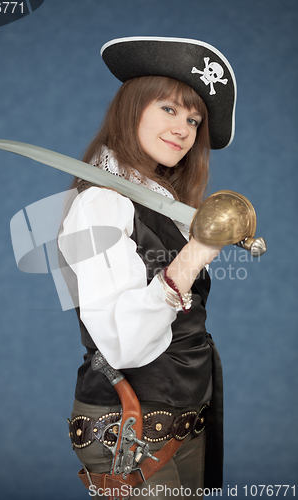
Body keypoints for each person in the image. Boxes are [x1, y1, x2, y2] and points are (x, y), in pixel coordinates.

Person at [58, 36, 236, 499]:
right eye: (169, 109)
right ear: (132, 107)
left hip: (184, 417)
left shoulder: (162, 204)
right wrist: (196, 252)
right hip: (128, 428)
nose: (184, 128)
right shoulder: (99, 204)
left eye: (194, 119)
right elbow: (122, 345)